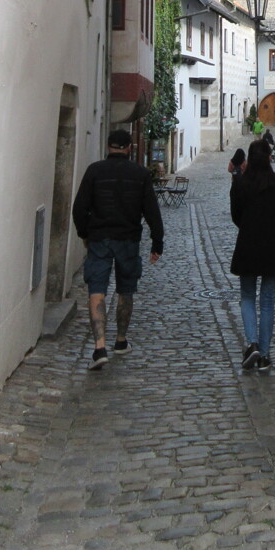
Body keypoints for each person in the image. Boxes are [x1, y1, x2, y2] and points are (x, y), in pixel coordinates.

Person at [71, 129, 164, 370]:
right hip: (128, 239)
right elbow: (152, 212)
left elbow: (79, 208)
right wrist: (157, 243)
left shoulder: (94, 171)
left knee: (96, 290)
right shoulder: (141, 175)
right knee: (126, 290)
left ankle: (99, 347)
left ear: (108, 146)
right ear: (129, 148)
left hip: (100, 238)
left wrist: (84, 234)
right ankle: (121, 341)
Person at [229, 138, 275, 372]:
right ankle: (265, 355)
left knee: (247, 297)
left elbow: (236, 215)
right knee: (267, 302)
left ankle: (252, 343)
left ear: (249, 159)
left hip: (248, 245)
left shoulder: (240, 184)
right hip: (273, 248)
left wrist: (249, 227)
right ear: (269, 158)